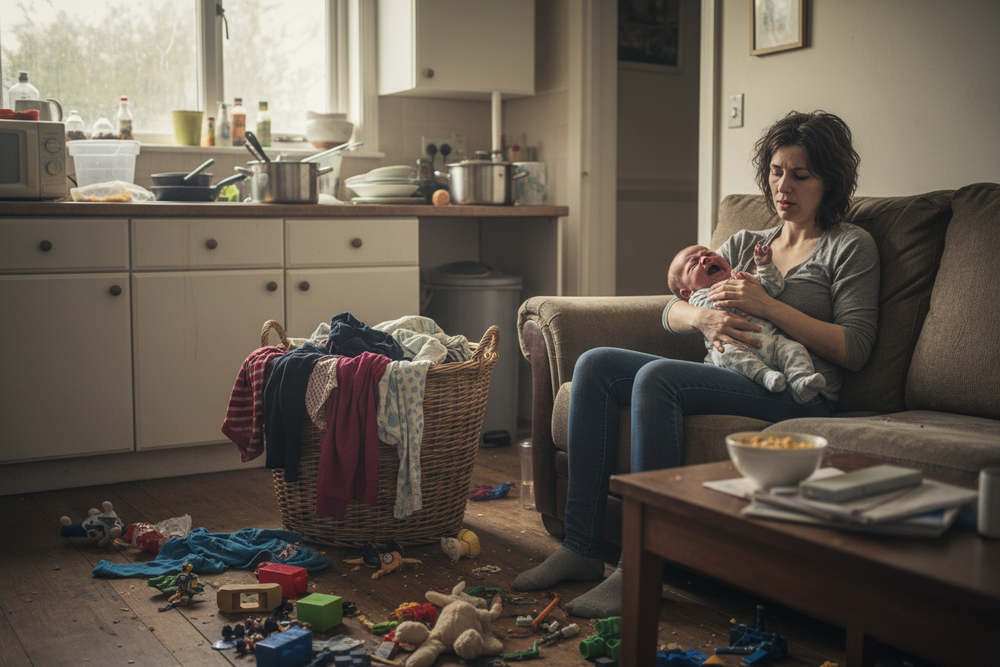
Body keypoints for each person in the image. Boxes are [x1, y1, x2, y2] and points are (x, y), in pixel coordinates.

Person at [512, 110, 880, 618]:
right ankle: (580, 547)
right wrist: (703, 319)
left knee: (658, 379)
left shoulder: (849, 246)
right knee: (595, 365)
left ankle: (640, 569)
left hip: (797, 389)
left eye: (801, 175)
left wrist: (768, 306)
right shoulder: (747, 244)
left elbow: (854, 348)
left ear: (830, 182)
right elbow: (674, 307)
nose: (783, 186)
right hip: (729, 371)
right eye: (776, 172)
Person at [668, 242, 826, 403]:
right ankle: (765, 376)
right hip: (734, 346)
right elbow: (712, 308)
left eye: (710, 254)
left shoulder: (743, 279)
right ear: (687, 292)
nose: (705, 259)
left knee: (794, 348)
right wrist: (736, 290)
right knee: (723, 354)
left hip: (772, 342)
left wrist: (765, 266)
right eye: (694, 263)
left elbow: (774, 287)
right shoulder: (698, 297)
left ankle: (800, 381)